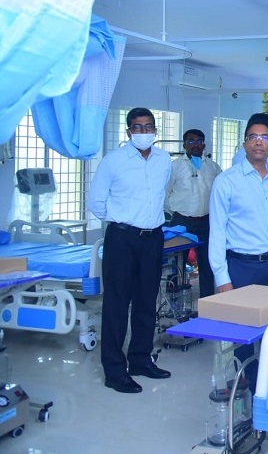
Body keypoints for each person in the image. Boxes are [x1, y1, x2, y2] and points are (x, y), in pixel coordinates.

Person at [208, 113, 268, 389]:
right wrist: (222, 278)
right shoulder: (226, 182)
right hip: (242, 267)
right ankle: (246, 385)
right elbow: (217, 233)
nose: (259, 142)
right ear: (244, 143)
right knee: (243, 335)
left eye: (264, 138)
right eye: (253, 137)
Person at [87, 107, 172, 394]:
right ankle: (114, 370)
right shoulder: (113, 161)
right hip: (122, 239)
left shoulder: (163, 160)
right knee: (117, 304)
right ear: (128, 131)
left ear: (155, 131)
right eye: (137, 127)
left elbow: (160, 195)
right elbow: (96, 202)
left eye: (148, 127)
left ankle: (140, 360)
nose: (143, 132)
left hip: (153, 238)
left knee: (147, 301)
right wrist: (122, 220)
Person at [165, 128, 222, 298]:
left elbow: (220, 192)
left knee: (206, 262)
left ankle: (207, 299)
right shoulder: (175, 166)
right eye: (191, 141)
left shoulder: (212, 167)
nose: (195, 145)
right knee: (176, 261)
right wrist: (175, 210)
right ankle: (173, 297)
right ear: (184, 145)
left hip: (206, 221)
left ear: (204, 145)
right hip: (181, 221)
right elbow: (165, 193)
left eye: (199, 141)